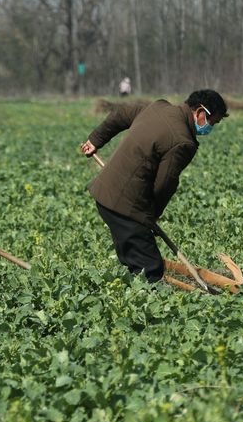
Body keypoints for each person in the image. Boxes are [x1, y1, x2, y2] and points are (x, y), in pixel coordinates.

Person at [80, 90, 227, 282]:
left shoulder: (158, 107)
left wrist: (96, 140)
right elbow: (164, 184)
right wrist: (149, 218)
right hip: (125, 207)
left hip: (105, 194)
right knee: (150, 268)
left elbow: (121, 114)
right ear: (200, 112)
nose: (210, 128)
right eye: (212, 122)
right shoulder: (183, 142)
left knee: (136, 259)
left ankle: (130, 292)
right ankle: (144, 304)